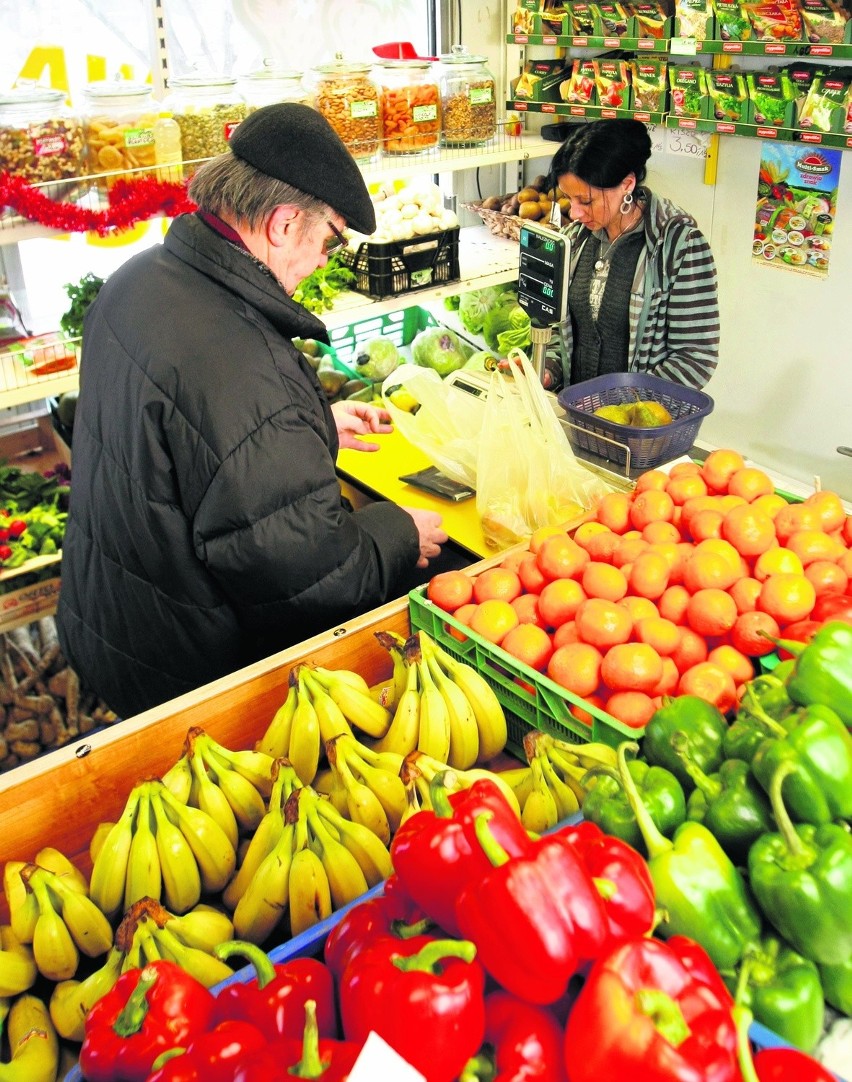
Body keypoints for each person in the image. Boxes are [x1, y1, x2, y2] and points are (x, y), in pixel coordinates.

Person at [56, 102, 449, 719]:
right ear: (285, 224)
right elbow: (310, 577)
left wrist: (308, 434)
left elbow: (187, 449)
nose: (323, 260)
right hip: (187, 677)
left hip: (111, 615)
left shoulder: (138, 279)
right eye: (327, 241)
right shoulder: (245, 365)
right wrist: (399, 532)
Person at [544, 118, 719, 392]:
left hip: (639, 429)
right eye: (569, 198)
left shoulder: (678, 245)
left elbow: (696, 357)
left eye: (586, 201)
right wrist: (548, 369)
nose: (575, 213)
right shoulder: (576, 239)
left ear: (626, 184)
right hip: (576, 416)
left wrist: (623, 406)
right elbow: (561, 335)